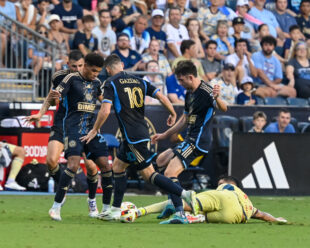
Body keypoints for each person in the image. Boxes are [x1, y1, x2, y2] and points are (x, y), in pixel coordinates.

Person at [81, 54, 196, 224]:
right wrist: (172, 112)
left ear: (107, 69)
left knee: (149, 174)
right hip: (137, 134)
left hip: (133, 137)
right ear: (121, 64)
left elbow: (105, 111)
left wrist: (95, 129)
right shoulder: (139, 80)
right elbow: (161, 97)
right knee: (118, 168)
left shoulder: (111, 83)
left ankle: (183, 193)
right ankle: (114, 210)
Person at [26, 52, 110, 220]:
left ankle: (94, 202)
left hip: (88, 129)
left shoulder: (96, 82)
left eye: (79, 66)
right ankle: (61, 194)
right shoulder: (64, 78)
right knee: (53, 161)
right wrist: (41, 113)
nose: (77, 69)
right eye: (74, 66)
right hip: (64, 124)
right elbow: (52, 96)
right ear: (69, 64)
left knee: (94, 167)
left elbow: (105, 102)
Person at [152, 60, 228, 224]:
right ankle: (174, 203)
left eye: (181, 80)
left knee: (170, 173)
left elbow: (223, 108)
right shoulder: (189, 93)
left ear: (191, 77)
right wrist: (164, 135)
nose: (180, 83)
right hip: (189, 139)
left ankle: (180, 212)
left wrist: (218, 97)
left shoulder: (207, 91)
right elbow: (184, 120)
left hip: (199, 141)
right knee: (161, 160)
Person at [136, 176, 288, 224]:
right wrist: (276, 219)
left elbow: (221, 190)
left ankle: (140, 211)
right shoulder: (248, 201)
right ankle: (194, 218)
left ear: (225, 182)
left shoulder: (226, 187)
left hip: (225, 199)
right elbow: (262, 215)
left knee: (182, 203)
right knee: (202, 216)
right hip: (237, 216)